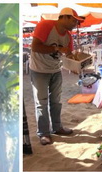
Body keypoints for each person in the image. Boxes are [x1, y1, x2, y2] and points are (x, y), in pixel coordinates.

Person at [29, 7, 83, 145]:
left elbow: (69, 56)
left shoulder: (68, 37)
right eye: (74, 20)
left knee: (56, 101)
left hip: (55, 70)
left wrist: (76, 65)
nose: (75, 24)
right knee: (41, 102)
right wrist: (57, 48)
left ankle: (57, 127)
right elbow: (35, 47)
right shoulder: (45, 25)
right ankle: (44, 133)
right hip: (39, 70)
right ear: (64, 17)